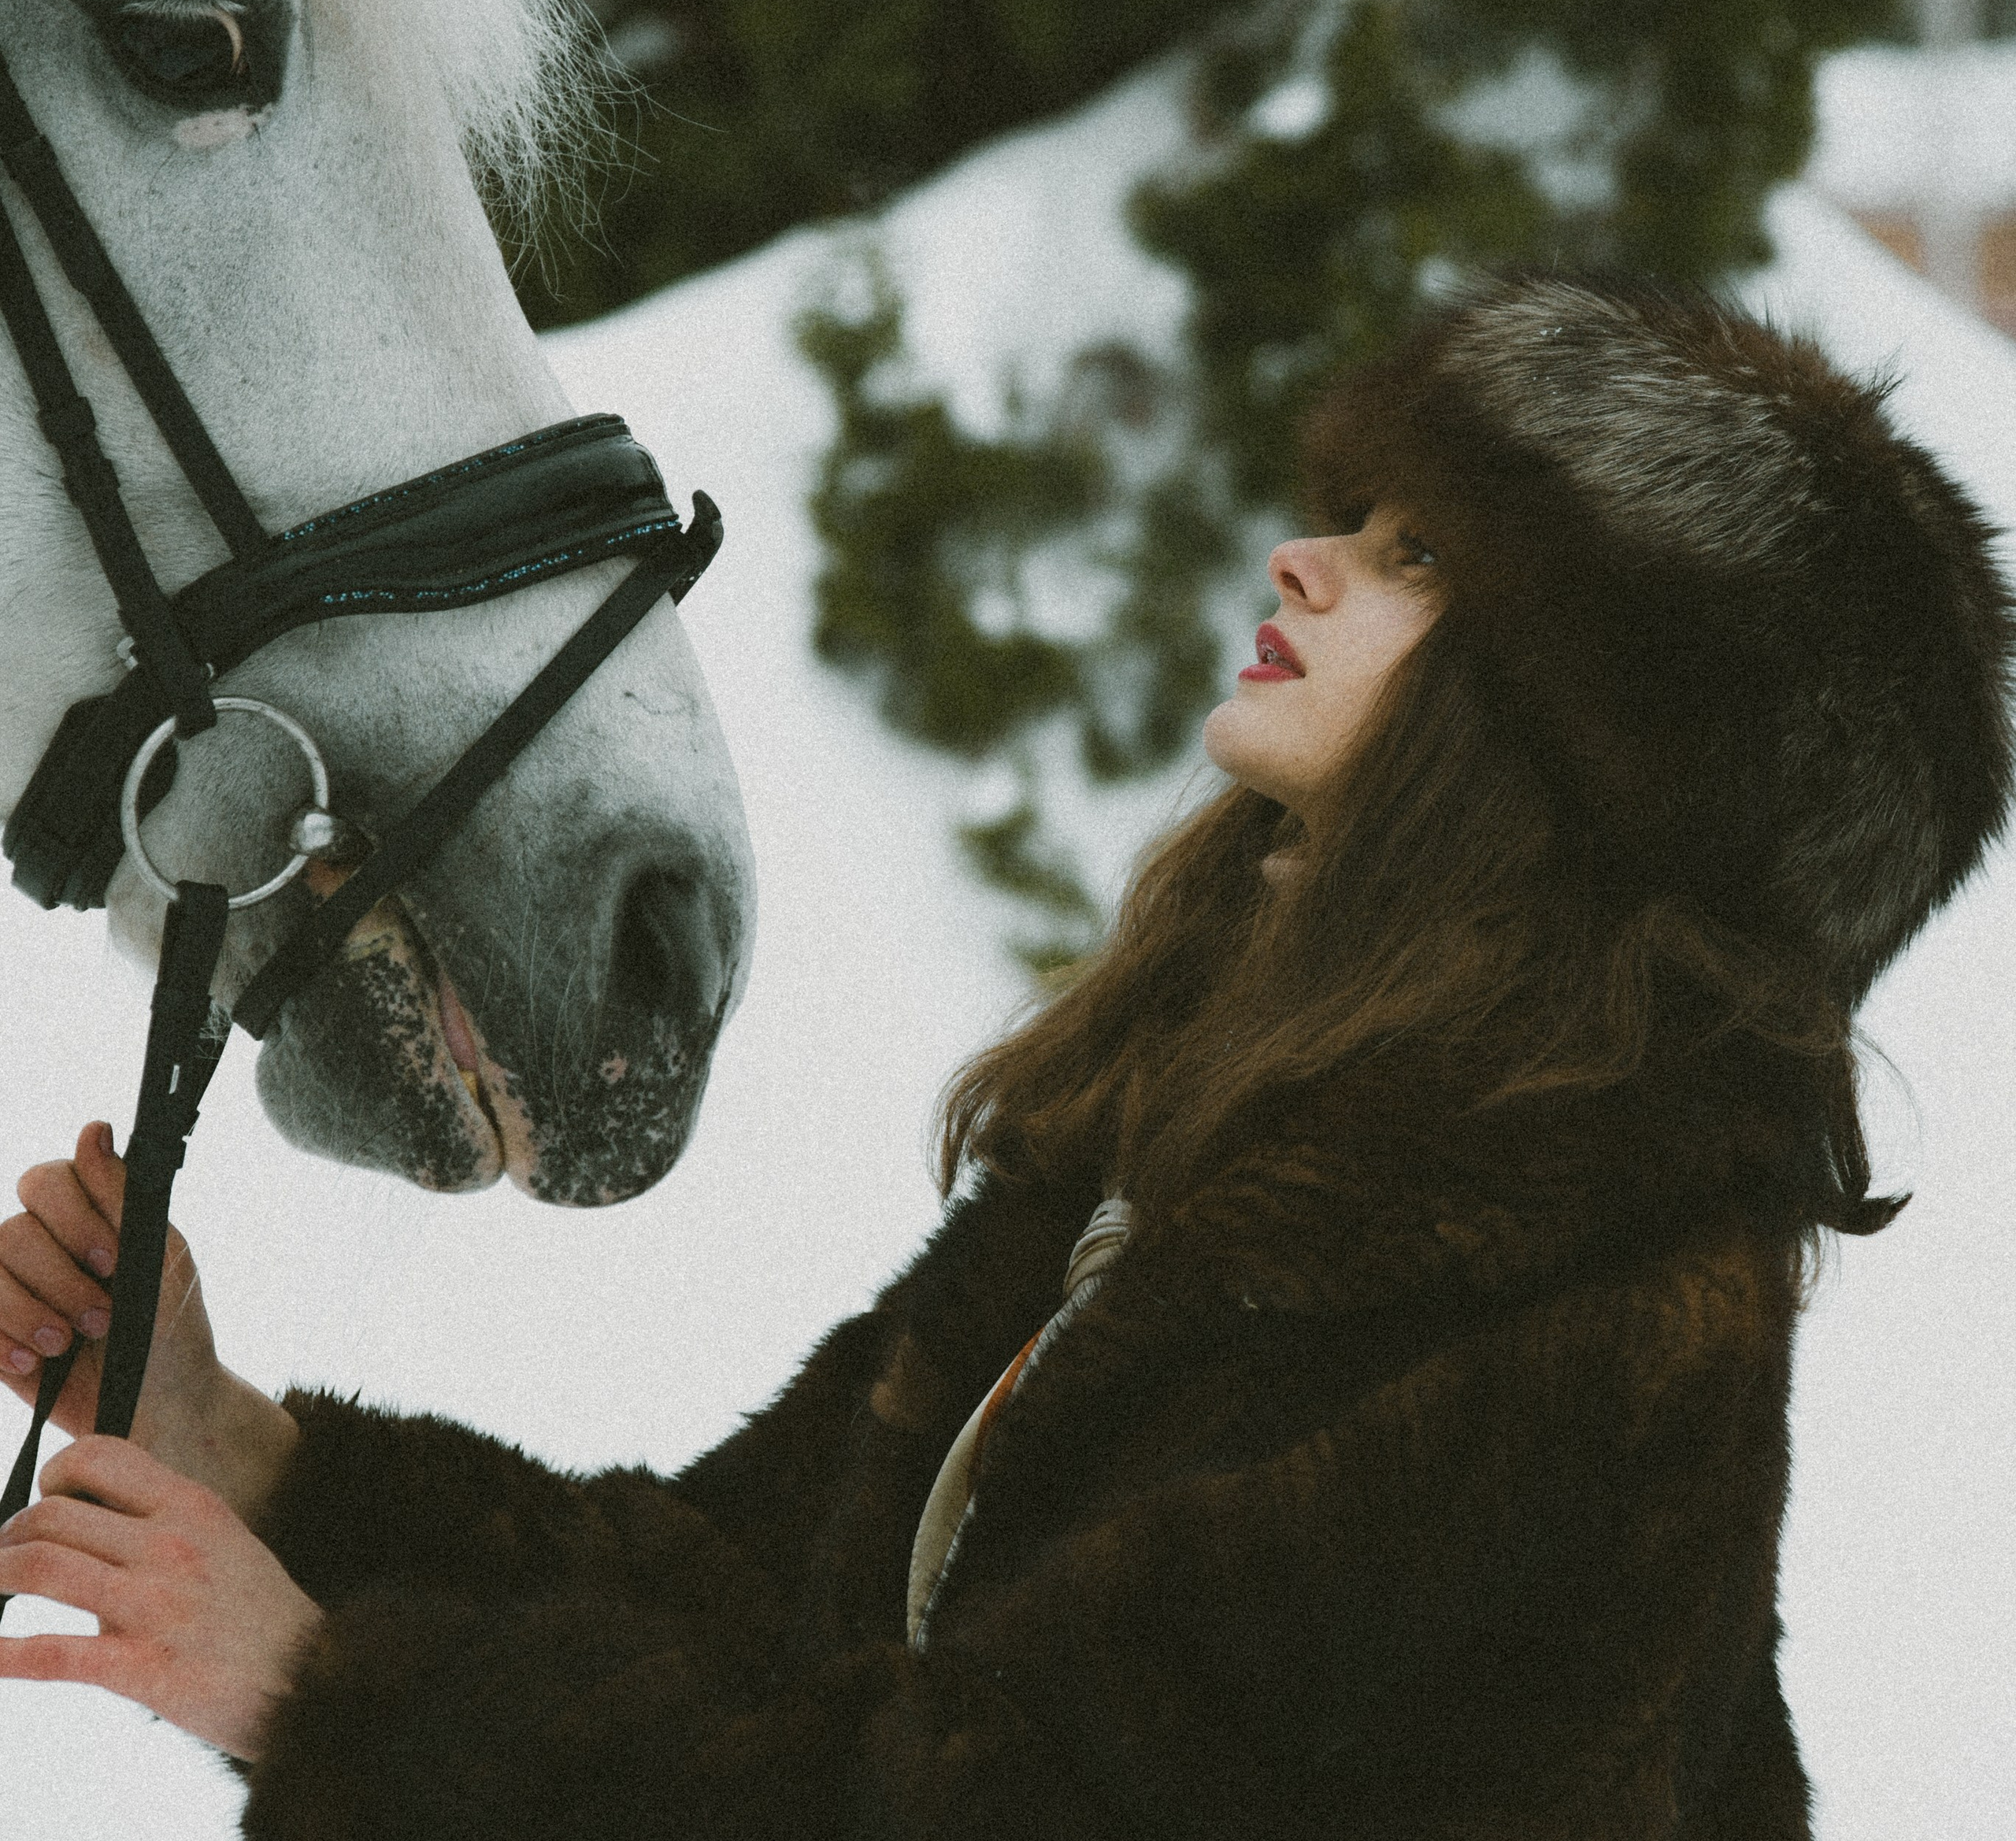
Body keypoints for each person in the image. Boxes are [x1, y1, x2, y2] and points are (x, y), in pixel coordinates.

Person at [0, 275, 2009, 1838]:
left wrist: (333, 1693)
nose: (1304, 561)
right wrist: (253, 1451)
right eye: (1354, 521)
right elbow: (752, 1607)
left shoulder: (1580, 1318)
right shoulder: (1217, 1141)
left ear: (1569, 747)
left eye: (1416, 564)